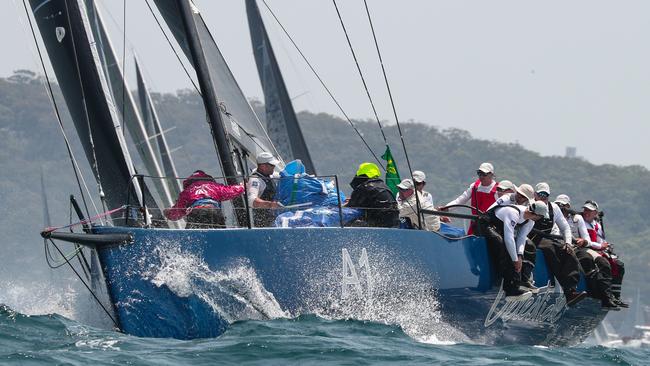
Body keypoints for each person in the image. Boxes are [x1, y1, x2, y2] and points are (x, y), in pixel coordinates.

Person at [554, 195, 622, 310]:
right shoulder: (554, 215)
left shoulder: (578, 219)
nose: (561, 208)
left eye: (564, 206)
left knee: (606, 263)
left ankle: (609, 296)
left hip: (580, 247)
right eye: (558, 205)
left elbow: (587, 240)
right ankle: (594, 293)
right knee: (586, 260)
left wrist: (584, 242)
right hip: (565, 247)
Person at [524, 183, 587, 306]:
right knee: (550, 249)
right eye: (541, 194)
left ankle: (570, 290)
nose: (543, 197)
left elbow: (565, 228)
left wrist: (568, 243)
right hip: (531, 238)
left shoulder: (554, 208)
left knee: (568, 251)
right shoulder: (528, 204)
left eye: (546, 195)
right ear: (535, 195)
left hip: (548, 239)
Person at [478, 200, 548, 299]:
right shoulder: (513, 213)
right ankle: (510, 289)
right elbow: (508, 238)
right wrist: (515, 260)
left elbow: (522, 238)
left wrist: (519, 256)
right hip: (486, 224)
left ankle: (523, 280)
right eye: (542, 217)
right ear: (537, 215)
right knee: (503, 246)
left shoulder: (530, 221)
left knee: (529, 246)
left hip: (500, 229)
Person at [582, 200, 627, 307]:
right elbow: (586, 240)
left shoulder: (597, 225)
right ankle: (605, 295)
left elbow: (600, 241)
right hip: (587, 249)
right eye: (585, 210)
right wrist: (600, 246)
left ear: (595, 213)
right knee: (603, 264)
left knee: (619, 265)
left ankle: (615, 296)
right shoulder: (580, 221)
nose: (587, 212)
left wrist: (605, 246)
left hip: (597, 250)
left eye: (590, 210)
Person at [164, 170, 244, 229]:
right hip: (213, 211)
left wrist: (168, 213)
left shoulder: (186, 191)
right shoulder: (214, 186)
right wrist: (242, 186)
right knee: (221, 235)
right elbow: (231, 191)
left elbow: (177, 212)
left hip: (196, 212)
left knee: (189, 238)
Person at [443, 162, 498, 234]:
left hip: (490, 226)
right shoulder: (474, 186)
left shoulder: (497, 190)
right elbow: (460, 200)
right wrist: (446, 208)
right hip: (475, 223)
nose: (481, 176)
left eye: (484, 174)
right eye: (479, 173)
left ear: (491, 175)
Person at [345, 162, 399, 228]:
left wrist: (341, 205)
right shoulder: (383, 186)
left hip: (379, 224)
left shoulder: (365, 186)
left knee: (348, 222)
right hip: (393, 223)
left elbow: (350, 207)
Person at [247, 152, 283, 227]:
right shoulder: (255, 180)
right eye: (272, 165)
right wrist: (270, 204)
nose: (274, 167)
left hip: (273, 218)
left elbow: (284, 174)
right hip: (262, 222)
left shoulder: (270, 175)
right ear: (263, 166)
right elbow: (251, 199)